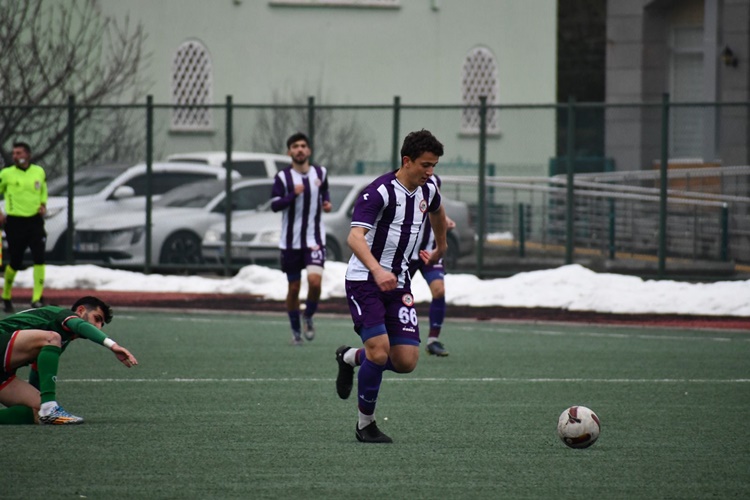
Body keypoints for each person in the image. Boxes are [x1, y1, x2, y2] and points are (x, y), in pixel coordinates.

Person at [335, 129, 447, 443]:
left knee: (406, 361)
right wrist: (377, 270)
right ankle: (365, 425)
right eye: (425, 165)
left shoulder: (428, 189)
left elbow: (438, 212)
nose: (430, 172)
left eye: (434, 165)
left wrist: (441, 246)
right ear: (406, 160)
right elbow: (354, 237)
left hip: (399, 283)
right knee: (379, 351)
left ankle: (349, 358)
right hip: (365, 281)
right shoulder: (379, 192)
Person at [0, 295, 138, 425]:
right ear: (80, 310)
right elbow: (80, 325)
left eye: (101, 324)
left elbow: (38, 372)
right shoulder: (62, 315)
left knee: (38, 411)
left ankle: (47, 409)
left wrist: (38, 399)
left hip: (3, 374)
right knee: (52, 338)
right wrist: (113, 346)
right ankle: (50, 408)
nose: (98, 327)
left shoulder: (61, 340)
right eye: (97, 319)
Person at [270, 132, 332, 345]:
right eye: (295, 146)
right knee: (294, 288)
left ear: (309, 151)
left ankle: (309, 316)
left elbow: (325, 192)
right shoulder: (283, 177)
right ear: (289, 152)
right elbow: (274, 205)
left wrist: (326, 203)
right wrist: (292, 195)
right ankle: (296, 331)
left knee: (315, 282)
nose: (300, 149)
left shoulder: (320, 173)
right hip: (291, 242)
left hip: (314, 239)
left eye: (303, 146)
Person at [408, 174, 456, 357]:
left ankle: (433, 340)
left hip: (430, 251)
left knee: (439, 291)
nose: (428, 169)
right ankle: (392, 336)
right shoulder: (402, 181)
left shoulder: (434, 181)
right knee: (396, 295)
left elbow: (435, 205)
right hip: (407, 253)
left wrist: (445, 219)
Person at [0, 142, 48, 312]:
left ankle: (37, 298)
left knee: (39, 258)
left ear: (27, 154)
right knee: (16, 260)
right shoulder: (6, 174)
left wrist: (43, 204)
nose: (15, 156)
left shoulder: (38, 171)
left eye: (19, 153)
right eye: (14, 153)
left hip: (35, 221)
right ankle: (6, 295)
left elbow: (43, 190)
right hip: (15, 222)